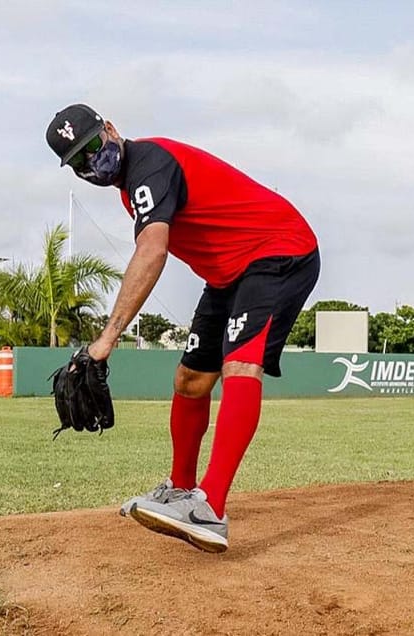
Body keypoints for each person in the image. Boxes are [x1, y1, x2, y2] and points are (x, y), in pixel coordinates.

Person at [45, 104, 320, 552]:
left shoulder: (150, 164)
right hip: (229, 274)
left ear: (111, 129)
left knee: (240, 367)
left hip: (279, 251)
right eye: (79, 161)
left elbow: (153, 251)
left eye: (93, 146)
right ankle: (180, 488)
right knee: (190, 380)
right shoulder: (132, 187)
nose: (93, 162)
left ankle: (209, 507)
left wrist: (105, 341)